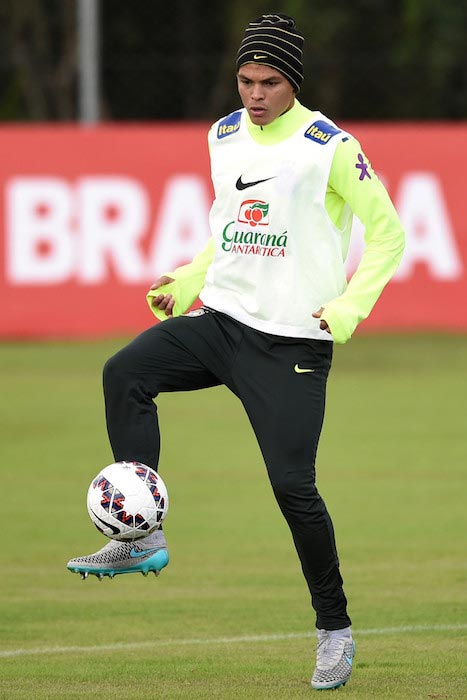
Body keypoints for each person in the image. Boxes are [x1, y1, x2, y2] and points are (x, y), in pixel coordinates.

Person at [67, 13, 405, 690]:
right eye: (246, 79)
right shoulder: (222, 135)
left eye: (269, 82)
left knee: (292, 488)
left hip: (291, 343)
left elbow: (388, 234)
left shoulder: (328, 147)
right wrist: (186, 279)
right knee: (124, 372)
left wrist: (346, 308)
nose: (254, 94)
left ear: (292, 84)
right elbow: (227, 230)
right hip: (220, 321)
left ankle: (332, 629)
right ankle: (142, 536)